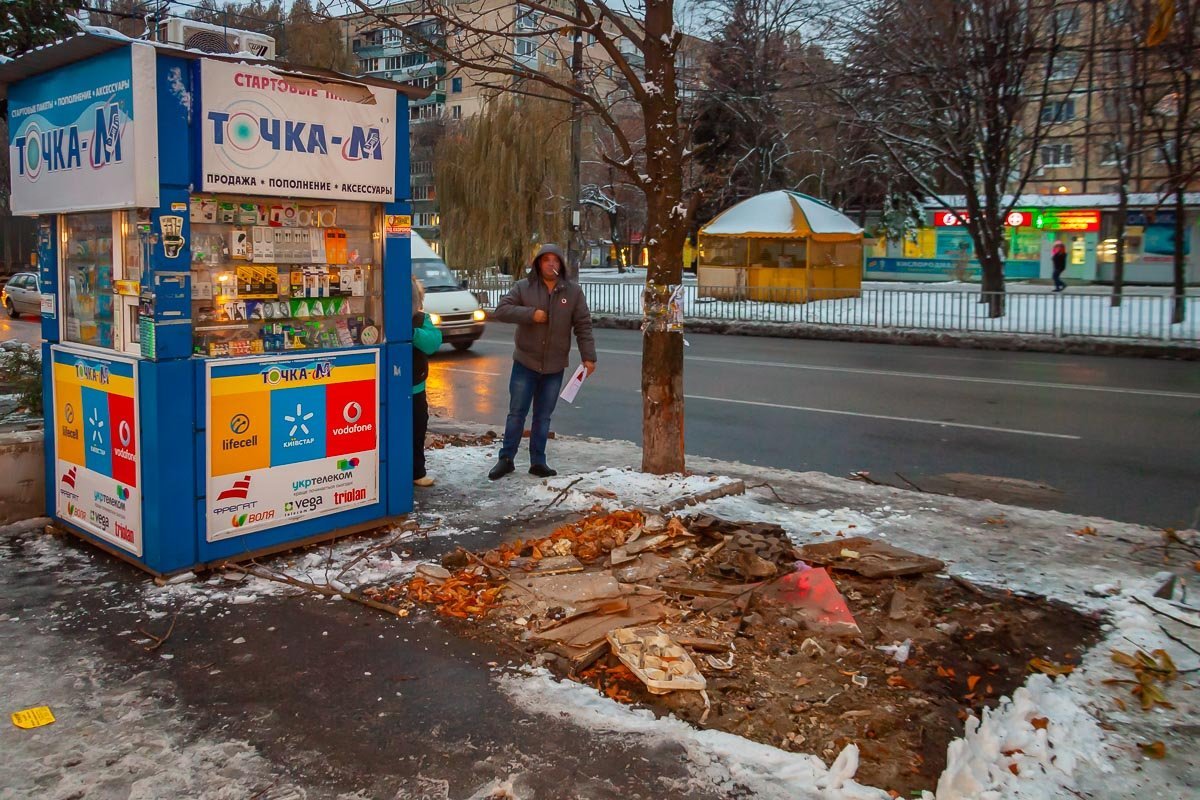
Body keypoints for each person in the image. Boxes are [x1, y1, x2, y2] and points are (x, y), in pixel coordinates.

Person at [488, 244, 596, 480]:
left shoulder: (573, 292)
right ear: (538, 263)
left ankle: (538, 461)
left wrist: (589, 357)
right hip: (525, 363)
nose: (550, 264)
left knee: (543, 416)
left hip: (554, 367)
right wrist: (530, 314)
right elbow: (501, 311)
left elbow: (583, 326)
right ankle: (506, 459)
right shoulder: (524, 287)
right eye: (545, 260)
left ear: (561, 264)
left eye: (555, 260)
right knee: (517, 413)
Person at [411, 276, 442, 487]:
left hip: (415, 388)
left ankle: (417, 471)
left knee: (417, 430)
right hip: (390, 388)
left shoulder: (422, 320)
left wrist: (411, 332)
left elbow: (432, 343)